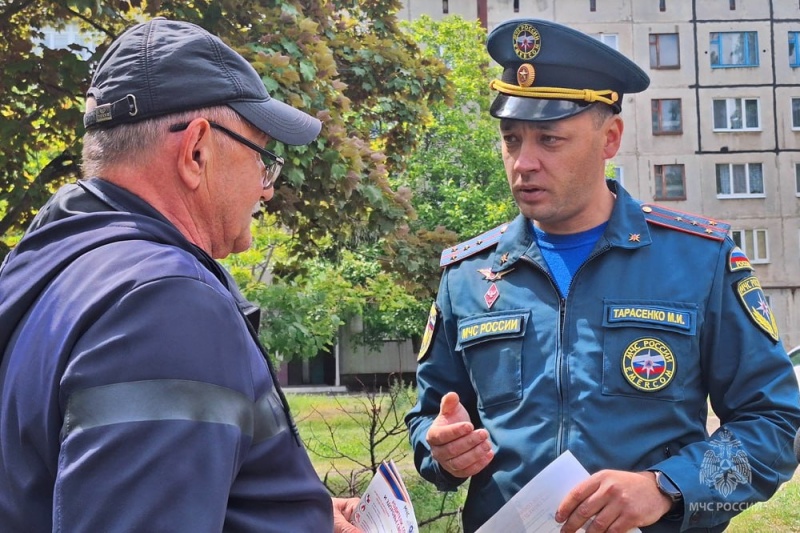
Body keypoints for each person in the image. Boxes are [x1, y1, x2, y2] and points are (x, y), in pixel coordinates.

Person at [405, 18, 800, 533]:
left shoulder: (699, 260)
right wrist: (441, 452)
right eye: (511, 139)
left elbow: (774, 428)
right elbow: (430, 421)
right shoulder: (469, 274)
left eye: (550, 139)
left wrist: (667, 487)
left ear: (610, 138)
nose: (523, 162)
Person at [0, 18, 362, 532]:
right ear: (196, 151)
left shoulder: (51, 267)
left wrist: (291, 514)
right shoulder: (164, 304)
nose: (267, 190)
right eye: (263, 160)